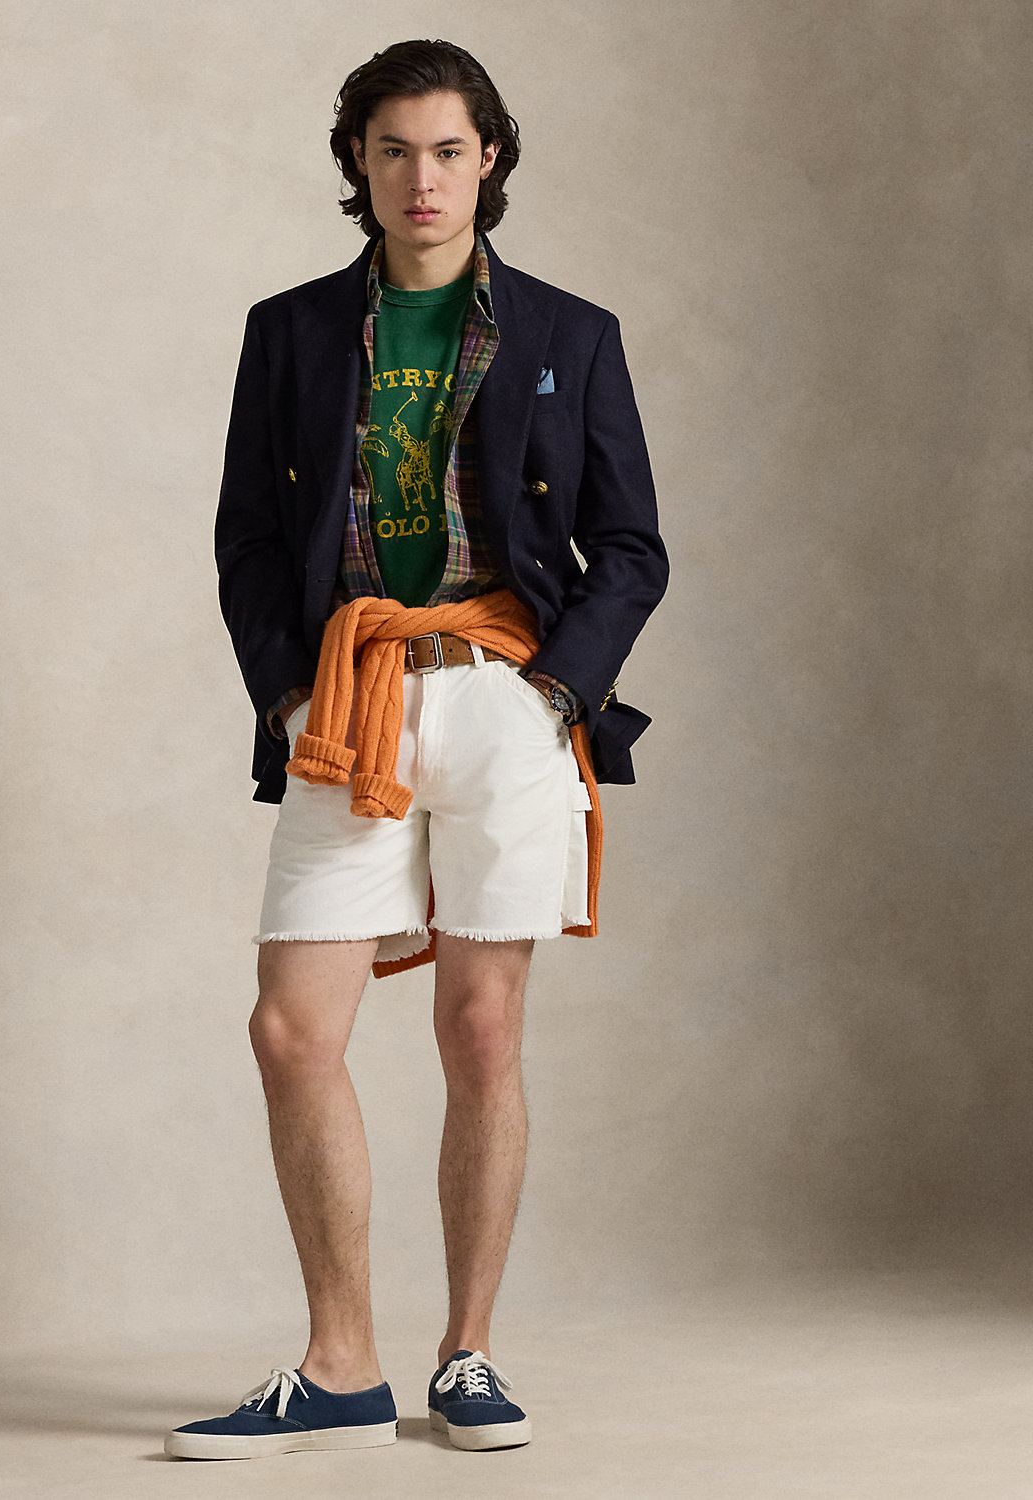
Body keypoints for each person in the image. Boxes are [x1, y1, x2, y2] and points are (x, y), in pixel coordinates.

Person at [165, 38, 667, 1462]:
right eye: (393, 150)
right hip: (349, 701)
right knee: (291, 1029)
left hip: (507, 695)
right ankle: (339, 1368)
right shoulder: (292, 330)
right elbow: (246, 538)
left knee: (481, 1029)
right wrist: (287, 699)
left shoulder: (572, 333)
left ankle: (467, 1356)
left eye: (448, 150)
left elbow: (631, 547)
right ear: (360, 165)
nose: (422, 178)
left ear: (488, 159)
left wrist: (555, 694)